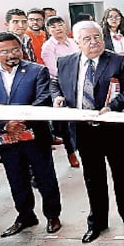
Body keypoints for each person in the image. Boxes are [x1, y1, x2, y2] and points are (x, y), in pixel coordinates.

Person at [51, 21, 124, 243]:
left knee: (121, 174)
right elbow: (55, 84)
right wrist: (57, 96)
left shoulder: (118, 61)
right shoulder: (65, 62)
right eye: (87, 39)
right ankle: (97, 223)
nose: (93, 42)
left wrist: (112, 107)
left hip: (113, 129)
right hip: (83, 131)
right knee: (93, 178)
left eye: (97, 37)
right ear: (77, 42)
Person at [0, 32, 62, 237]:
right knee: (16, 179)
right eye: (4, 51)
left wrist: (21, 121)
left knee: (45, 176)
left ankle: (52, 215)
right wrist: (6, 125)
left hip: (34, 135)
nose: (12, 55)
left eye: (15, 49)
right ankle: (25, 216)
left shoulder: (37, 70)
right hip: (6, 138)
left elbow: (43, 99)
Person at [39, 15, 81, 169]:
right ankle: (71, 152)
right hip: (59, 84)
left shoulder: (73, 42)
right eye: (53, 27)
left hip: (78, 81)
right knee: (66, 121)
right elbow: (53, 69)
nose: (57, 29)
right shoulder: (48, 47)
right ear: (48, 30)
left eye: (60, 25)